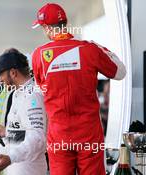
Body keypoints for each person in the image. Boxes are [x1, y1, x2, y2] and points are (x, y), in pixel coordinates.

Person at [31, 3, 126, 175]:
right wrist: (100, 48)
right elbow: (120, 72)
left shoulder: (38, 55)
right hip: (89, 133)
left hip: (58, 135)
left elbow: (41, 89)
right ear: (65, 23)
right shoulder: (89, 49)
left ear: (46, 27)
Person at [0, 49, 47, 175]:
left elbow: (38, 138)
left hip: (29, 170)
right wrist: (7, 132)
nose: (0, 79)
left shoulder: (32, 96)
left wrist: (10, 158)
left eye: (1, 74)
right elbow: (25, 133)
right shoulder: (16, 94)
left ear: (13, 73)